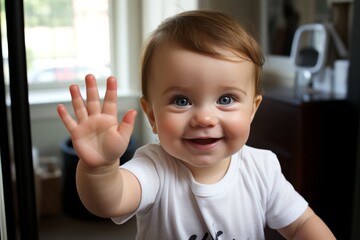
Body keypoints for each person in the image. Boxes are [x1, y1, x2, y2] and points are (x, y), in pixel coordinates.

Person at [57, 10, 335, 239]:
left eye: (226, 99)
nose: (204, 118)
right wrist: (100, 168)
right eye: (181, 101)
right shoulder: (154, 168)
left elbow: (300, 224)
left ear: (252, 110)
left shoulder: (262, 169)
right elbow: (109, 201)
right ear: (152, 116)